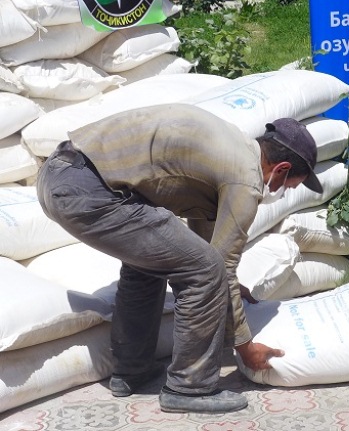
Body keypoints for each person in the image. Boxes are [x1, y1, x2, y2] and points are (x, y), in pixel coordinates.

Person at [35, 104, 324, 413]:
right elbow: (217, 266)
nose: (287, 192)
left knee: (152, 263)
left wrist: (224, 288)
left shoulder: (232, 148)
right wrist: (245, 346)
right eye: (291, 186)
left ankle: (131, 370)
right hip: (89, 192)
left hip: (59, 175)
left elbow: (200, 246)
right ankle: (190, 387)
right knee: (206, 270)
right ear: (280, 169)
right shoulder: (246, 178)